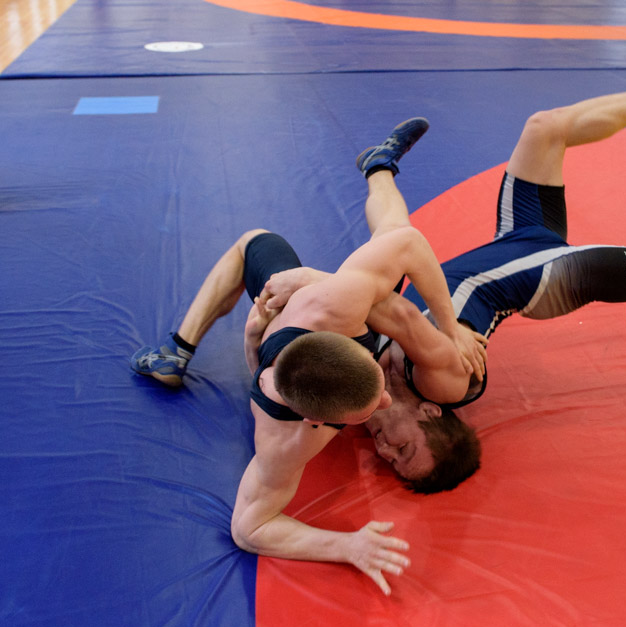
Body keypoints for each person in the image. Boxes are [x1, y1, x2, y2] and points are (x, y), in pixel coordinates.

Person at [262, 17, 626, 496]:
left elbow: (358, 319)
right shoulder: (444, 385)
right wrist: (315, 282)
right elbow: (395, 309)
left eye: (389, 460)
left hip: (517, 244)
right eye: (403, 449)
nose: (385, 449)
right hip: (540, 279)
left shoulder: (359, 389)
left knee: (543, 129)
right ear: (431, 416)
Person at [129, 119, 487, 595]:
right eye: (401, 448)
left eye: (376, 394)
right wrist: (346, 545)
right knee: (255, 244)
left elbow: (407, 248)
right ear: (319, 422)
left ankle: (377, 167)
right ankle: (178, 347)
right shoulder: (288, 443)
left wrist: (447, 326)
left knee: (338, 249)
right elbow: (248, 529)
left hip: (302, 320)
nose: (382, 447)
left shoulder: (334, 312)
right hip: (298, 317)